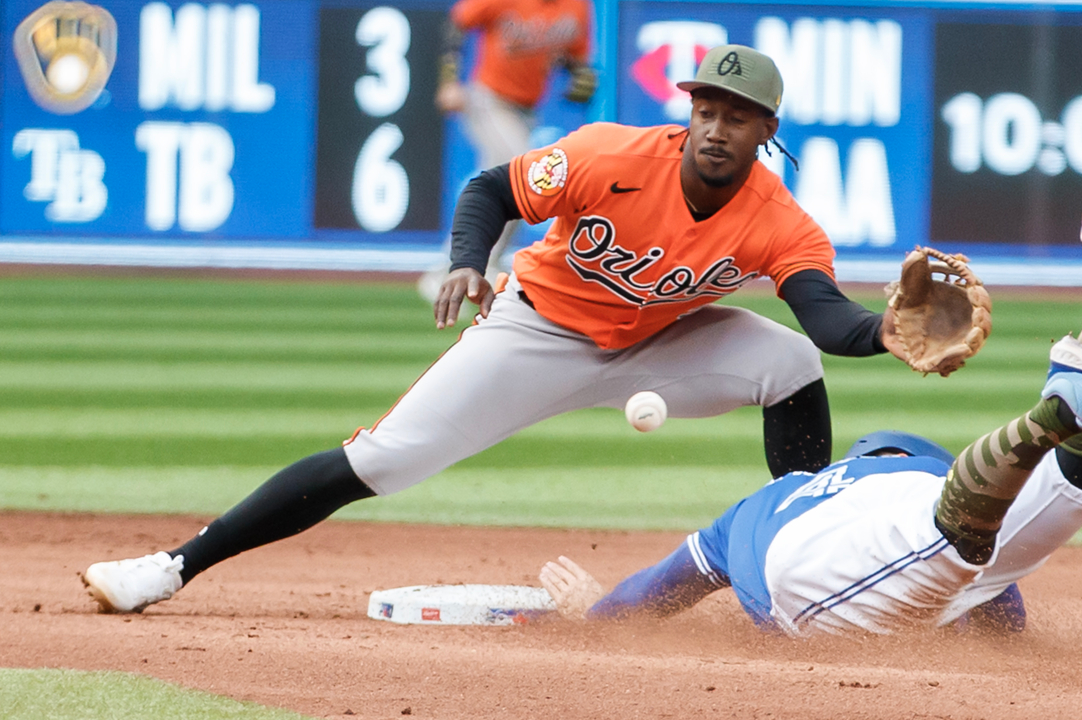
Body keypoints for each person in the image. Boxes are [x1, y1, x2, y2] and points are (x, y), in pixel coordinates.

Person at [83, 46, 916, 614]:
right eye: (707, 105)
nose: (716, 125)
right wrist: (465, 260)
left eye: (738, 114)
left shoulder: (781, 223)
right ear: (689, 108)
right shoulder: (610, 155)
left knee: (790, 361)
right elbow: (491, 189)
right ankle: (171, 567)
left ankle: (799, 565)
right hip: (538, 331)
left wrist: (891, 332)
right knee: (382, 460)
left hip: (660, 349)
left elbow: (826, 315)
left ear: (767, 130)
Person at [539, 181, 1082, 636]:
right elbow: (990, 595)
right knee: (1079, 480)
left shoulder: (754, 519)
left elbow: (647, 598)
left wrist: (590, 614)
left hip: (811, 571)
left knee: (960, 540)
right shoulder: (899, 473)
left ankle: (1060, 409)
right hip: (916, 516)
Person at [419, 0, 597, 300]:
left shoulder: (576, 7)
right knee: (520, 172)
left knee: (503, 187)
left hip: (528, 109)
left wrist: (579, 75)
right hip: (489, 98)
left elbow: (571, 55)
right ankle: (483, 263)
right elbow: (456, 25)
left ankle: (446, 270)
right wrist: (449, 82)